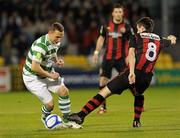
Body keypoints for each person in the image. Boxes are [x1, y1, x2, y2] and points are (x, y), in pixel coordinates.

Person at [68, 17, 177, 127]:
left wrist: (132, 72)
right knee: (139, 95)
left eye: (138, 28)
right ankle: (136, 121)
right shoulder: (159, 39)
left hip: (132, 73)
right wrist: (171, 37)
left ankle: (81, 115)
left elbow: (131, 54)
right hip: (147, 78)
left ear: (141, 27)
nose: (137, 30)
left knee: (104, 92)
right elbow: (172, 40)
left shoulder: (135, 37)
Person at [22, 22, 82, 129]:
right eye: (57, 37)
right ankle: (45, 117)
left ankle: (66, 120)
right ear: (50, 33)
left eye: (61, 37)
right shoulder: (40, 46)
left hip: (48, 73)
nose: (59, 40)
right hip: (33, 78)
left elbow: (53, 53)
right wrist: (50, 75)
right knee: (50, 104)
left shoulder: (55, 42)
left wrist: (56, 60)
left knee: (64, 91)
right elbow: (34, 67)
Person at [93, 3, 134, 113]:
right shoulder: (106, 25)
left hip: (121, 58)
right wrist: (96, 52)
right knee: (102, 81)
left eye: (120, 12)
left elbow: (132, 41)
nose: (118, 14)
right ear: (112, 13)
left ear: (123, 13)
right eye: (116, 12)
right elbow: (101, 38)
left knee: (130, 80)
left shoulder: (127, 27)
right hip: (108, 58)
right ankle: (103, 107)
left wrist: (129, 56)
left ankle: (139, 102)